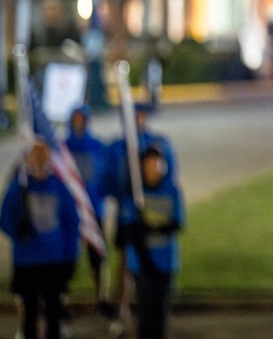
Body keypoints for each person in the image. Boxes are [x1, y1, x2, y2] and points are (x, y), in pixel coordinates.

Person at [106, 102, 177, 331]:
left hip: (150, 210)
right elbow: (110, 177)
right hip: (129, 209)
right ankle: (122, 307)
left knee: (155, 299)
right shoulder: (118, 146)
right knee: (125, 260)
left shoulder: (156, 142)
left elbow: (169, 170)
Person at [0, 142, 79, 339]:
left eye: (42, 159)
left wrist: (70, 256)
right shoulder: (19, 189)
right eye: (35, 158)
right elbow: (4, 217)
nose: (38, 164)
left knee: (53, 312)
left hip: (54, 261)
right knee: (30, 314)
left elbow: (71, 224)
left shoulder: (59, 188)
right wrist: (16, 230)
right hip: (27, 262)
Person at [120, 145, 184, 339]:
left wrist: (152, 226)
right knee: (146, 314)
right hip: (142, 264)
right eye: (149, 163)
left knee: (160, 313)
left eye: (156, 163)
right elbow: (129, 228)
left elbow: (177, 222)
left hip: (165, 262)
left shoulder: (171, 190)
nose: (153, 167)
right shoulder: (135, 193)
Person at [64, 104, 112, 310]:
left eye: (82, 118)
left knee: (98, 256)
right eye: (75, 118)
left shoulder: (97, 147)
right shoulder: (63, 147)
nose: (79, 122)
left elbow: (108, 176)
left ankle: (102, 297)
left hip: (94, 210)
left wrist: (100, 195)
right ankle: (62, 300)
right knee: (66, 257)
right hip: (69, 212)